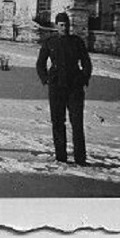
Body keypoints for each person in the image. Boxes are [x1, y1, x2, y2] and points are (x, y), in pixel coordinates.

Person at [36, 11, 93, 165]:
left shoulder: (77, 42)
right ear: (56, 26)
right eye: (61, 25)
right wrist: (46, 79)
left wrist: (83, 77)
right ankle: (61, 157)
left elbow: (86, 63)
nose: (65, 28)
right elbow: (40, 64)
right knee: (57, 122)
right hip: (56, 87)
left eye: (67, 25)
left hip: (74, 87)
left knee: (77, 122)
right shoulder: (50, 42)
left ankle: (80, 158)